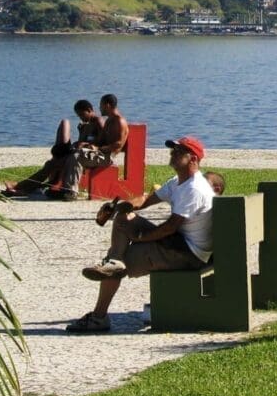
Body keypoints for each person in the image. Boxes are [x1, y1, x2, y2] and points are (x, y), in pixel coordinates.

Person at [66, 135, 214, 332]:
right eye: (172, 149)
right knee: (123, 218)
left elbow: (170, 226)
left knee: (118, 261)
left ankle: (99, 315)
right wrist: (120, 206)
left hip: (187, 254)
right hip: (177, 244)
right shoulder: (179, 182)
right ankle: (114, 262)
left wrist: (141, 238)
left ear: (193, 159)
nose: (172, 153)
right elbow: (146, 199)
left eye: (178, 151)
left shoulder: (194, 188)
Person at [2, 100, 104, 196]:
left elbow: (104, 141)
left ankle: (20, 187)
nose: (81, 118)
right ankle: (22, 188)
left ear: (90, 110)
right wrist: (81, 135)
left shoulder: (98, 121)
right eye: (78, 116)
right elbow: (83, 141)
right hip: (78, 152)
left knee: (51, 165)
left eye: (82, 114)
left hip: (87, 155)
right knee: (50, 165)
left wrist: (85, 144)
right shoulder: (86, 125)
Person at [51, 93, 129, 201]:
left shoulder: (119, 121)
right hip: (101, 153)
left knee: (77, 156)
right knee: (74, 153)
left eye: (101, 105)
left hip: (107, 157)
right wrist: (87, 144)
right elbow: (101, 140)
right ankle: (65, 189)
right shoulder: (109, 120)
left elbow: (118, 144)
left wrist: (98, 149)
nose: (99, 108)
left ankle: (71, 192)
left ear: (107, 105)